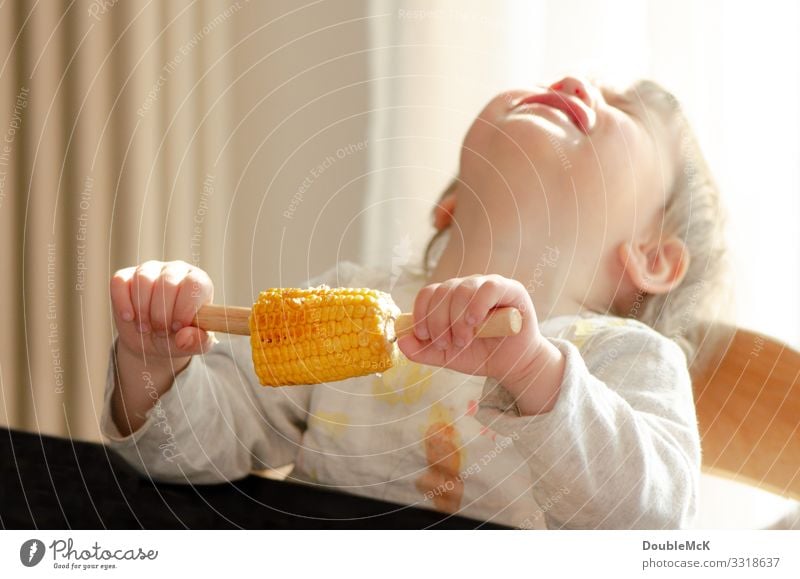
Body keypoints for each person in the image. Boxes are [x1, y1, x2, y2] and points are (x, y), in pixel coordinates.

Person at [103, 76, 726, 529]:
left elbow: (652, 525)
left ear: (652, 257)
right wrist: (154, 365)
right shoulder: (353, 295)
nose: (571, 82)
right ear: (449, 204)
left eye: (624, 109)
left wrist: (533, 368)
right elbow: (182, 461)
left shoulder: (630, 359)